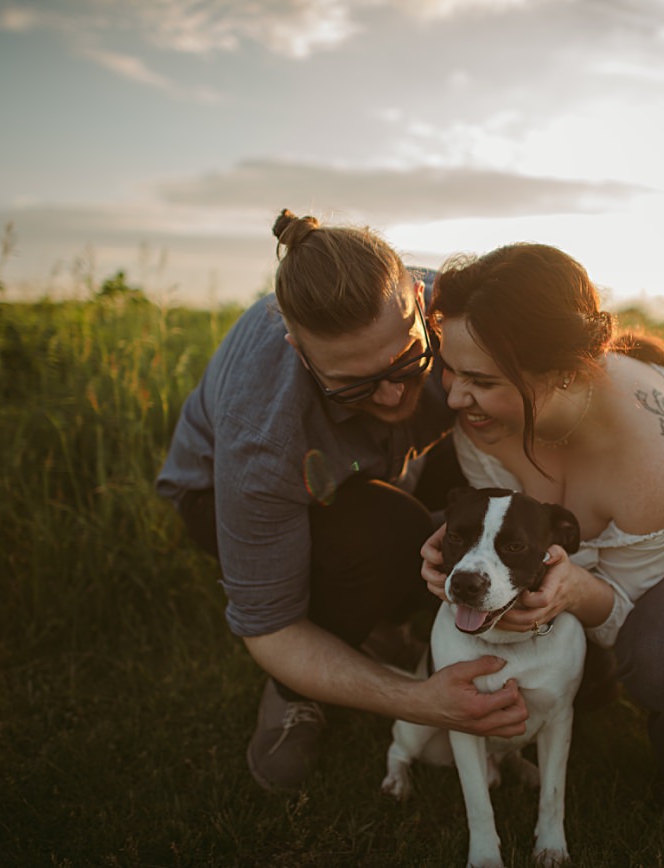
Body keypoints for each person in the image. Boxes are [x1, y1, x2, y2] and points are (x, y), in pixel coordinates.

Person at [155, 209, 531, 792]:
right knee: (387, 533)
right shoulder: (264, 435)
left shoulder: (456, 308)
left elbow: (562, 352)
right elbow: (271, 629)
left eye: (408, 361)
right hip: (222, 496)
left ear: (420, 300)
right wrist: (421, 702)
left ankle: (378, 623)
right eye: (353, 386)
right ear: (299, 352)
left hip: (388, 465)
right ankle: (294, 690)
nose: (393, 394)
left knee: (476, 479)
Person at [421, 242, 664, 813]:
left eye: (482, 381)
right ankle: (578, 685)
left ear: (564, 373)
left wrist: (569, 591)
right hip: (567, 555)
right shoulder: (483, 416)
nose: (454, 395)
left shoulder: (657, 464)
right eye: (452, 370)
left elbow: (617, 607)